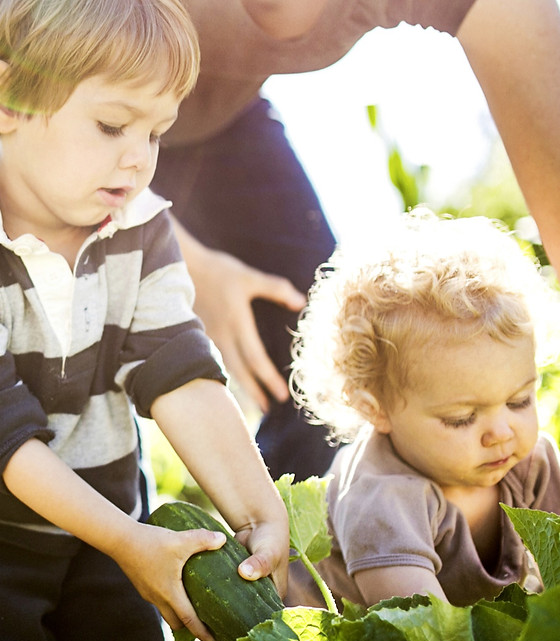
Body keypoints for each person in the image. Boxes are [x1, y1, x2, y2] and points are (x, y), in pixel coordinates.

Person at [0, 1, 289, 641]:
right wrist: (130, 541)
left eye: (156, 133)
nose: (139, 158)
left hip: (106, 534)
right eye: (111, 126)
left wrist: (254, 505)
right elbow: (5, 437)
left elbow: (178, 372)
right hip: (5, 548)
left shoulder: (143, 228)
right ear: (8, 105)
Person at [151, 0, 560, 481]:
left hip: (219, 122)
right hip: (65, 120)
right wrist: (187, 265)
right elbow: (42, 136)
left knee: (313, 360)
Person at [286, 208, 560, 610]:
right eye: (462, 418)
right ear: (376, 411)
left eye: (518, 401)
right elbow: (425, 637)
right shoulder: (381, 499)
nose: (501, 431)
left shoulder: (530, 465)